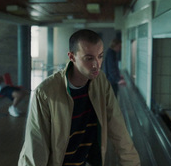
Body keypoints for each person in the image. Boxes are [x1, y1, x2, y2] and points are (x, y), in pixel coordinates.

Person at [18, 29, 140, 166]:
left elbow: (118, 128)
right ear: (72, 57)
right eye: (89, 58)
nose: (96, 65)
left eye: (100, 56)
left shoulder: (101, 82)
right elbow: (36, 146)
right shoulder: (46, 92)